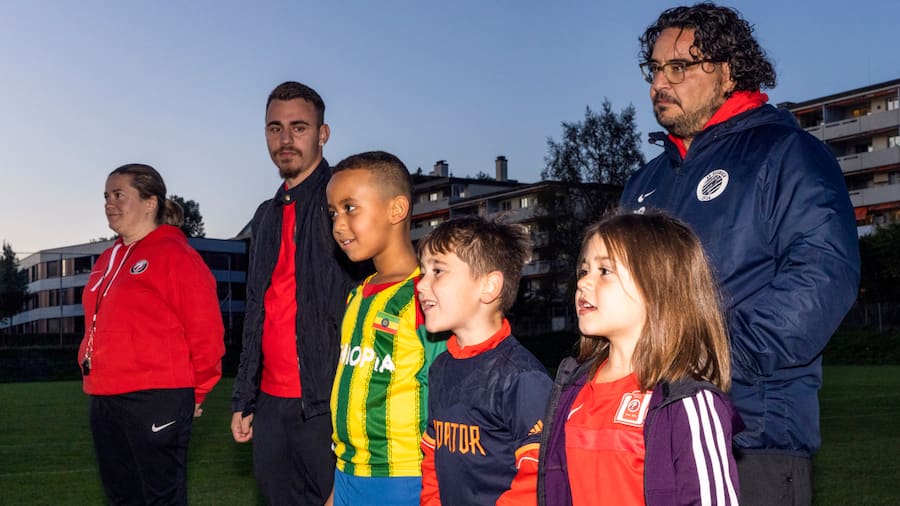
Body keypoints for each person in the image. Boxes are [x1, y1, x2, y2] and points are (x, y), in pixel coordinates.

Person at [623, 4, 860, 504]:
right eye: (654, 69)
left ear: (728, 73)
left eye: (679, 67)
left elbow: (823, 275)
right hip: (646, 439)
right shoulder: (645, 182)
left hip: (750, 439)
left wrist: (714, 355)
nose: (659, 83)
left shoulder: (788, 153)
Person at [537, 212, 741, 506]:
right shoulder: (572, 390)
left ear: (658, 287)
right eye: (584, 271)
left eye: (604, 271)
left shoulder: (687, 402)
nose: (583, 283)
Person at [230, 81, 362, 504]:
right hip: (271, 407)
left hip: (328, 403)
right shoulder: (265, 216)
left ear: (323, 134)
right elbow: (256, 311)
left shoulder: (343, 205)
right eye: (275, 128)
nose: (285, 140)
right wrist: (244, 397)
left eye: (299, 127)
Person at [78, 163, 224, 505]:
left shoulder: (176, 255)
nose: (109, 204)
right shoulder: (106, 259)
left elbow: (207, 333)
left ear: (150, 202)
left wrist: (198, 391)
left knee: (161, 498)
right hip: (104, 395)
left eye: (119, 195)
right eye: (106, 196)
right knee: (121, 496)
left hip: (156, 396)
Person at [325, 151, 446, 505]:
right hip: (348, 474)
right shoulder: (356, 296)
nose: (338, 224)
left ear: (397, 210)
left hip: (404, 480)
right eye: (333, 212)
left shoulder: (428, 297)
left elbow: (444, 399)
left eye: (350, 208)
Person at [417, 216, 553, 505]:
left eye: (437, 271)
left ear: (489, 287)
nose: (421, 285)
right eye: (423, 272)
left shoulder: (522, 378)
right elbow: (431, 457)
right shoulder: (441, 367)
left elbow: (537, 478)